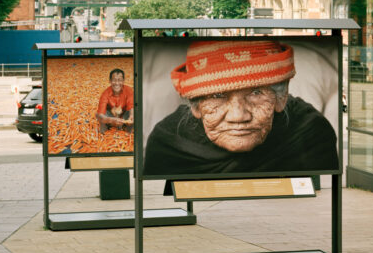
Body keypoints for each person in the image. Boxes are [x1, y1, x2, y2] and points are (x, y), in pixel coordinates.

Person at [143, 39, 338, 175]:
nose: (238, 116)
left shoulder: (310, 133)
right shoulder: (168, 142)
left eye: (256, 93)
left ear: (281, 98)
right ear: (195, 107)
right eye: (217, 96)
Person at [96, 68, 134, 133]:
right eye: (114, 80)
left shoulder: (129, 90)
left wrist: (131, 115)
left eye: (120, 80)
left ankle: (128, 132)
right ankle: (104, 135)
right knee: (98, 114)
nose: (117, 83)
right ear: (110, 81)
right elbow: (100, 115)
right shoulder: (105, 94)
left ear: (123, 81)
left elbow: (131, 106)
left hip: (125, 117)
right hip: (111, 117)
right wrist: (111, 120)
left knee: (136, 111)